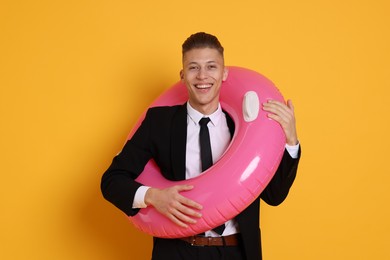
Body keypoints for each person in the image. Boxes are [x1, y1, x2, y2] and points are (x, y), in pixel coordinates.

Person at [101, 32, 301, 260]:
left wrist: (291, 141)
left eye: (211, 67)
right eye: (193, 67)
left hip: (236, 251)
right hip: (178, 251)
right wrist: (154, 196)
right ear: (182, 75)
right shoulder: (159, 122)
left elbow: (275, 196)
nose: (202, 76)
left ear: (224, 73)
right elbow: (111, 180)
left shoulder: (245, 128)